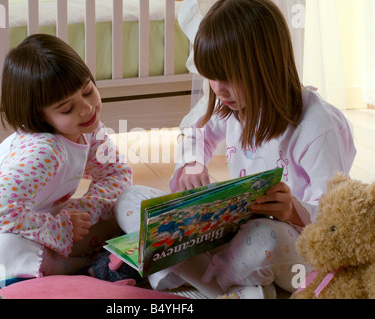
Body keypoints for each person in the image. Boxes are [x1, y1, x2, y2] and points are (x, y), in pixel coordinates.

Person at [113, 0, 356, 298]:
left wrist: (293, 210)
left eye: (226, 77)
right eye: (210, 77)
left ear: (265, 67)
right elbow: (195, 135)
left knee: (263, 237)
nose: (216, 88)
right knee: (132, 199)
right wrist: (192, 164)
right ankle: (241, 288)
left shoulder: (318, 126)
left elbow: (338, 220)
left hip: (295, 254)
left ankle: (202, 282)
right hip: (238, 239)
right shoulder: (233, 106)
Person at [0, 34, 132, 288]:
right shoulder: (44, 151)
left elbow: (116, 173)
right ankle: (81, 269)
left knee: (125, 206)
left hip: (31, 218)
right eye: (66, 109)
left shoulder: (89, 129)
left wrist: (87, 208)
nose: (86, 109)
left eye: (87, 91)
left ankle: (75, 263)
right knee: (3, 248)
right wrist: (60, 227)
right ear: (39, 116)